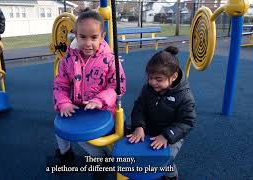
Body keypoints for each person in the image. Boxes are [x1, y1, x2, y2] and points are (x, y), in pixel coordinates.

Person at [53, 8, 126, 168]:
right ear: (76, 35)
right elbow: (60, 85)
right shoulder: (68, 60)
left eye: (93, 37)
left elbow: (117, 86)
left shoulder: (110, 60)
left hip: (102, 109)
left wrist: (100, 100)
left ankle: (101, 160)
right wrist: (63, 103)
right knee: (60, 125)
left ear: (102, 36)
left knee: (84, 138)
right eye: (83, 37)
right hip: (76, 107)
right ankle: (66, 153)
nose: (88, 43)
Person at [126, 46, 196, 180]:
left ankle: (171, 175)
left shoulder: (184, 96)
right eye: (150, 78)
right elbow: (139, 107)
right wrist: (139, 126)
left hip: (171, 135)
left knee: (165, 159)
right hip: (149, 130)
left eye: (158, 79)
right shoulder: (148, 89)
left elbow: (187, 121)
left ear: (174, 77)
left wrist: (166, 136)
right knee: (139, 151)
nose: (152, 82)